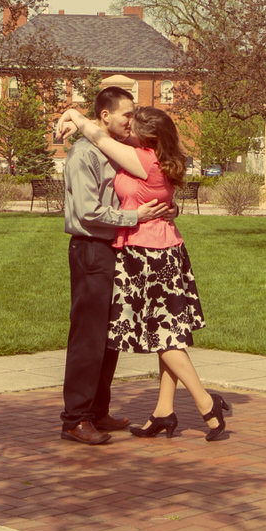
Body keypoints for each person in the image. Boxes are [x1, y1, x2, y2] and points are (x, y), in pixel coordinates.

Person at [56, 104, 231, 441]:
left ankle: (207, 404)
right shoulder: (159, 158)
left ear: (146, 136)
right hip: (161, 251)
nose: (127, 126)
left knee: (164, 336)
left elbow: (98, 137)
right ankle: (163, 411)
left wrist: (74, 115)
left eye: (132, 122)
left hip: (149, 255)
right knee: (166, 334)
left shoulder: (143, 159)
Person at [58, 86, 170, 445]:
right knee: (88, 336)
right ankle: (75, 419)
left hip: (115, 248)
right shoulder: (83, 154)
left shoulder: (118, 150)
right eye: (127, 115)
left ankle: (97, 411)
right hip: (91, 248)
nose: (131, 121)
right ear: (105, 116)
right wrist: (134, 217)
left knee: (109, 336)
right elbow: (87, 212)